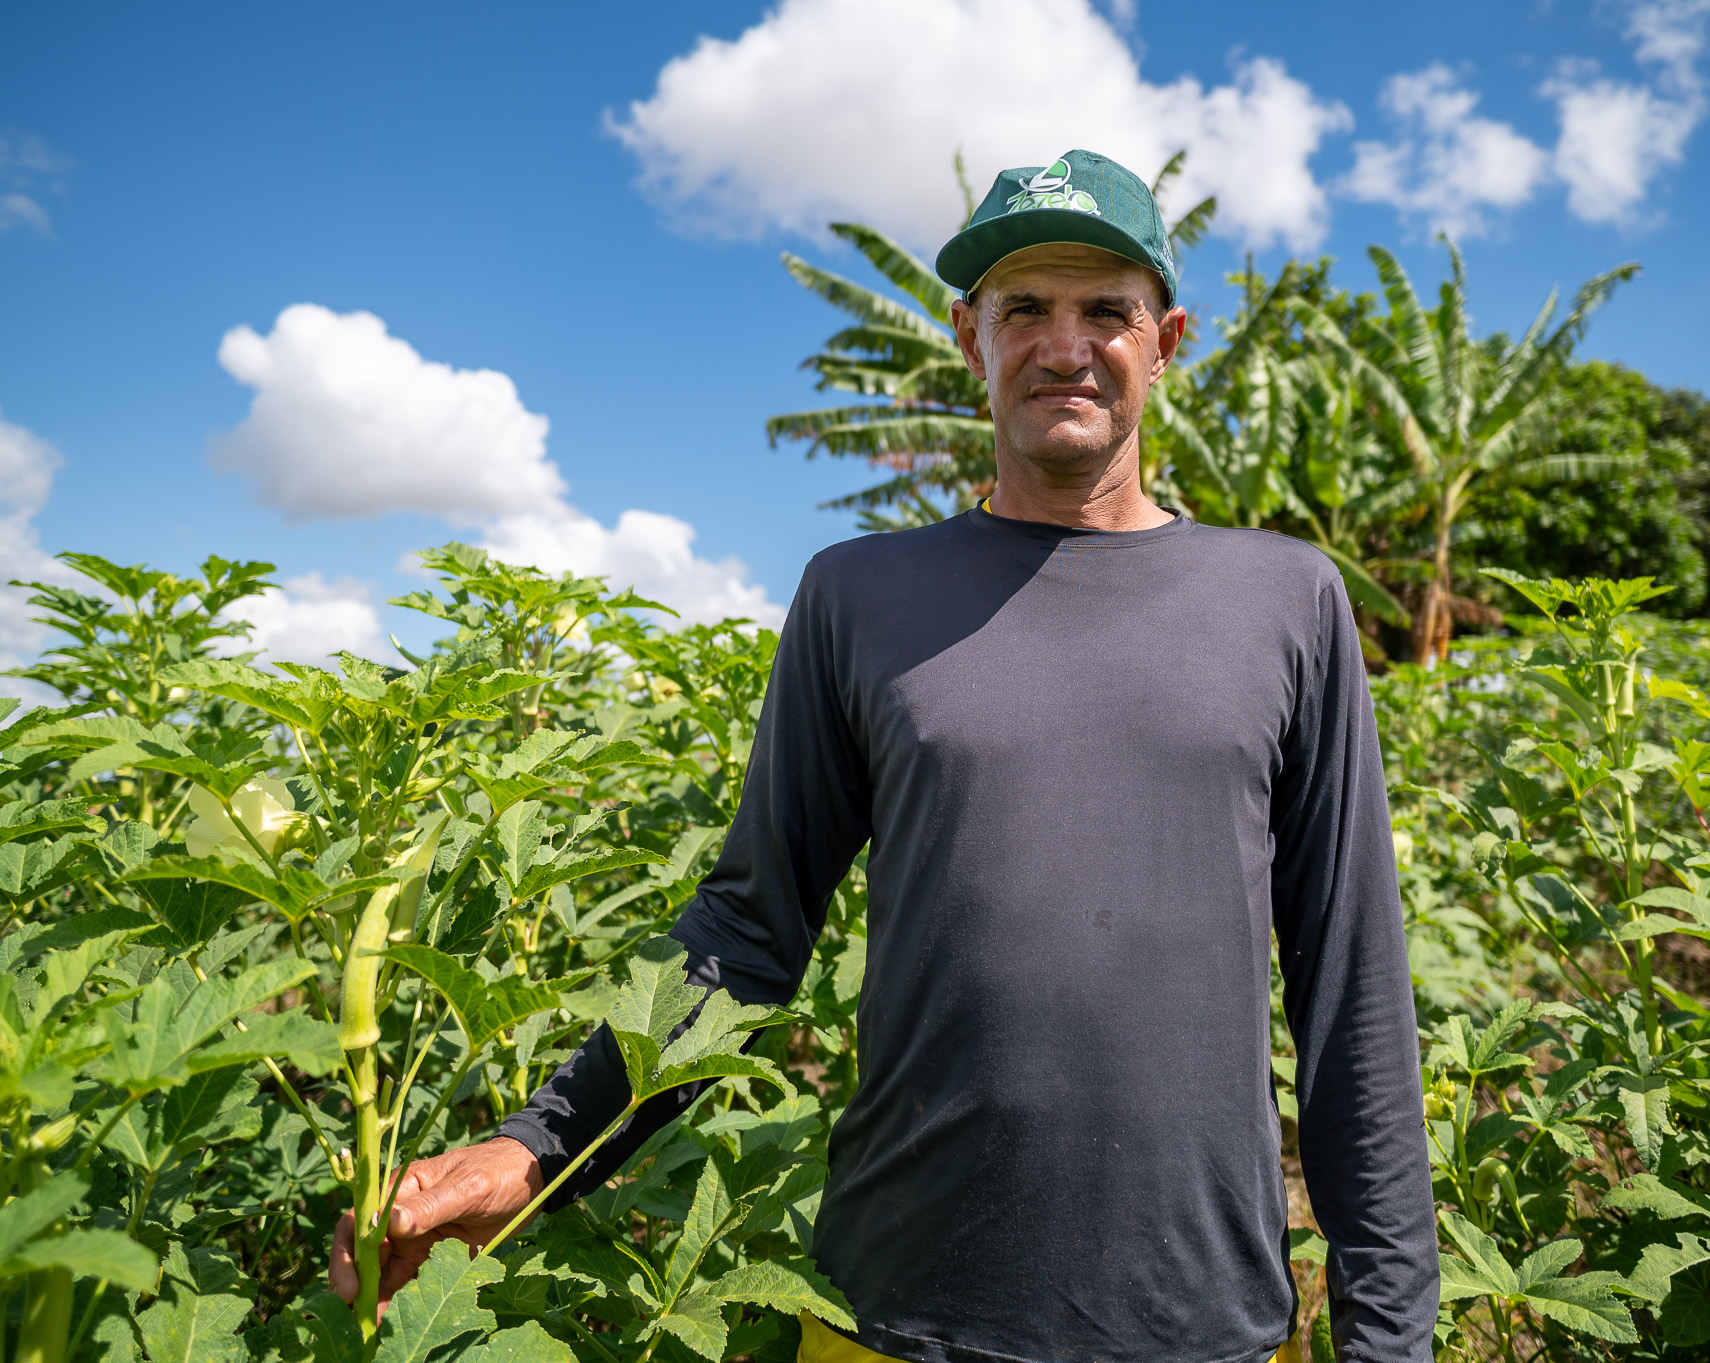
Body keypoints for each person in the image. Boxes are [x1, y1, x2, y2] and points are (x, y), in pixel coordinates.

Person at [331, 148, 1437, 1363]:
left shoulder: (1282, 599)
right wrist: (534, 1147)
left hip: (1197, 1320)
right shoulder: (858, 596)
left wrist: (1389, 1340)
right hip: (897, 1315)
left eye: (1103, 311)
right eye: (1023, 309)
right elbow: (748, 933)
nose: (1062, 344)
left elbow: (1353, 996)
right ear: (971, 339)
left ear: (1163, 338)